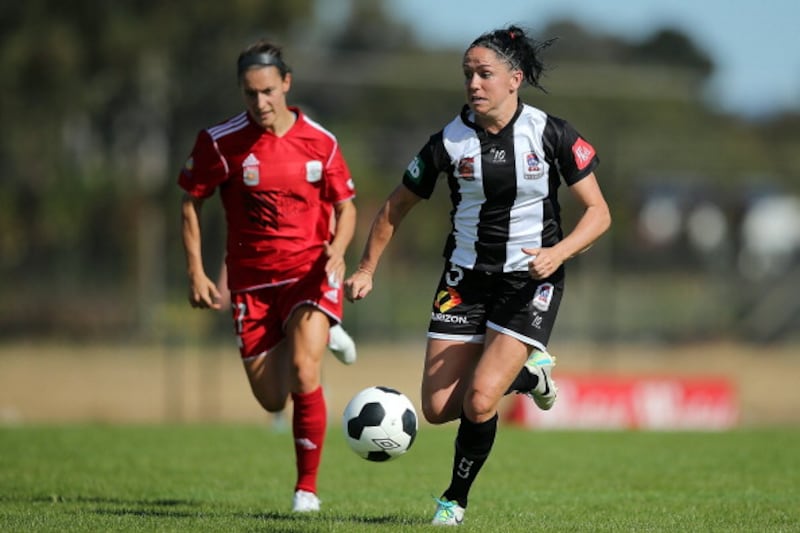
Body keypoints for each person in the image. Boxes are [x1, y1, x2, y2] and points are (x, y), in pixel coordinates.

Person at [344, 25, 611, 526]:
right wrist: (365, 268)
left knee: (482, 397)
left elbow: (599, 213)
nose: (473, 83)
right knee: (440, 408)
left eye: (484, 74)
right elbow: (395, 207)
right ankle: (530, 375)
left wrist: (558, 253)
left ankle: (454, 499)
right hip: (463, 281)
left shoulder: (552, 133)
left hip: (529, 281)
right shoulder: (448, 141)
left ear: (515, 79)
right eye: (467, 74)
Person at [178, 38, 357, 513]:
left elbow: (347, 206)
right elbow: (191, 202)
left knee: (303, 370)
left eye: (268, 91)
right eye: (249, 93)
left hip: (309, 275)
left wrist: (337, 251)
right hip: (252, 284)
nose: (260, 103)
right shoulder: (220, 142)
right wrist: (196, 271)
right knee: (273, 400)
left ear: (286, 85)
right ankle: (323, 335)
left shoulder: (321, 141)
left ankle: (307, 490)